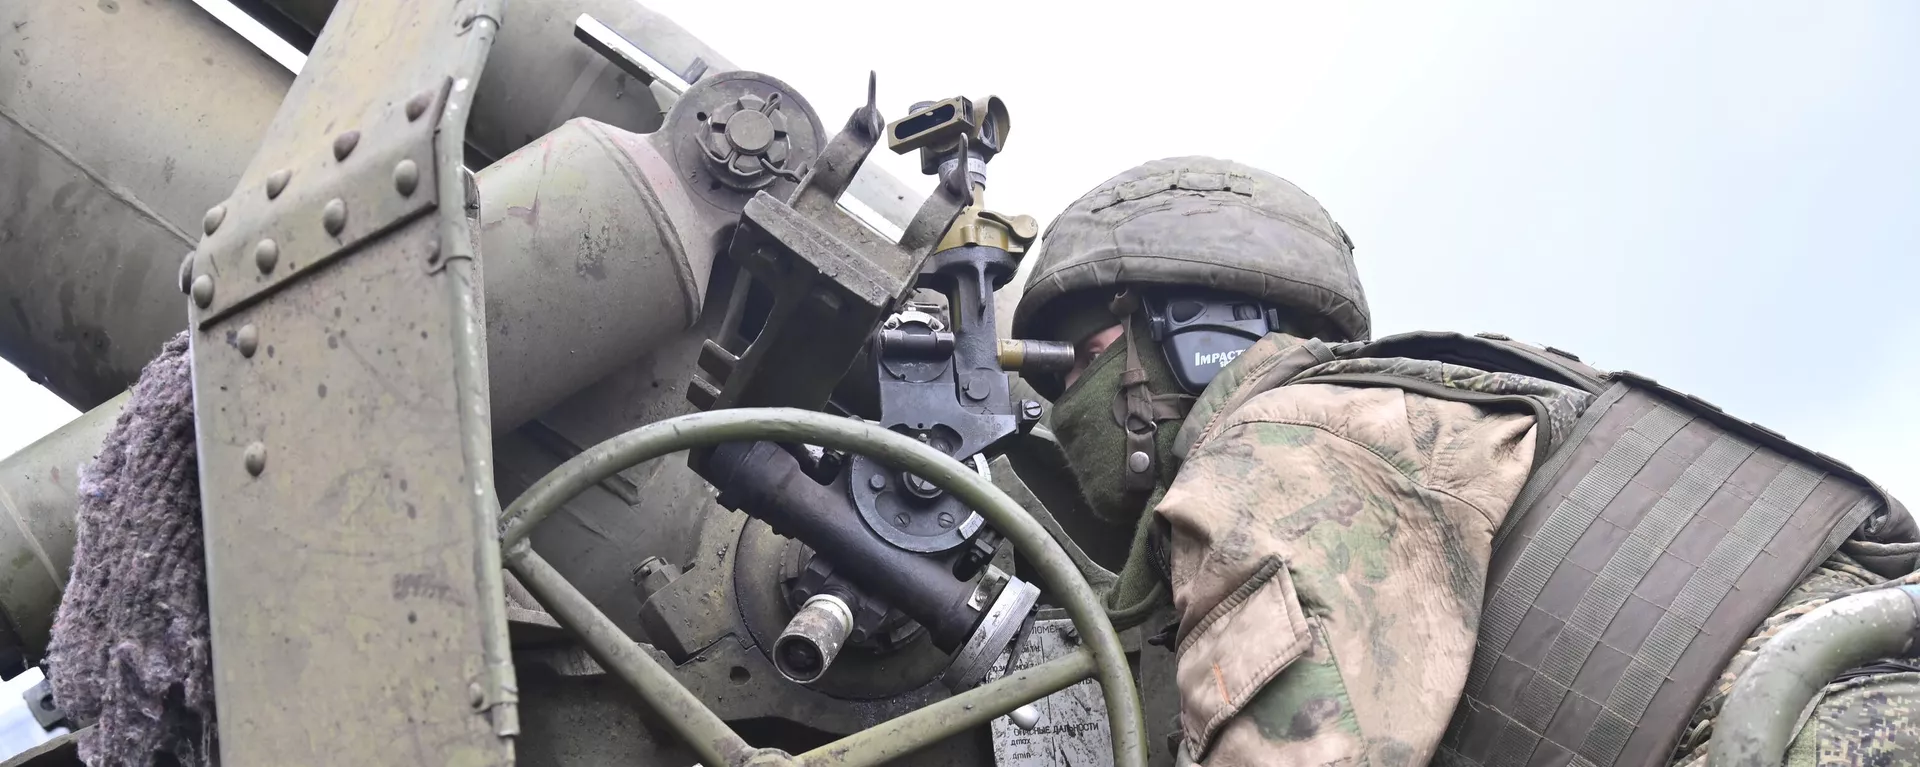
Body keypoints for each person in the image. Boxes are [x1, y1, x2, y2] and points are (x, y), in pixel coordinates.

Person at [1009, 157, 1920, 766]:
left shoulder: (1279, 452)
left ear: (1196, 337)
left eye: (1088, 361)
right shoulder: (1428, 404)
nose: (1072, 408)